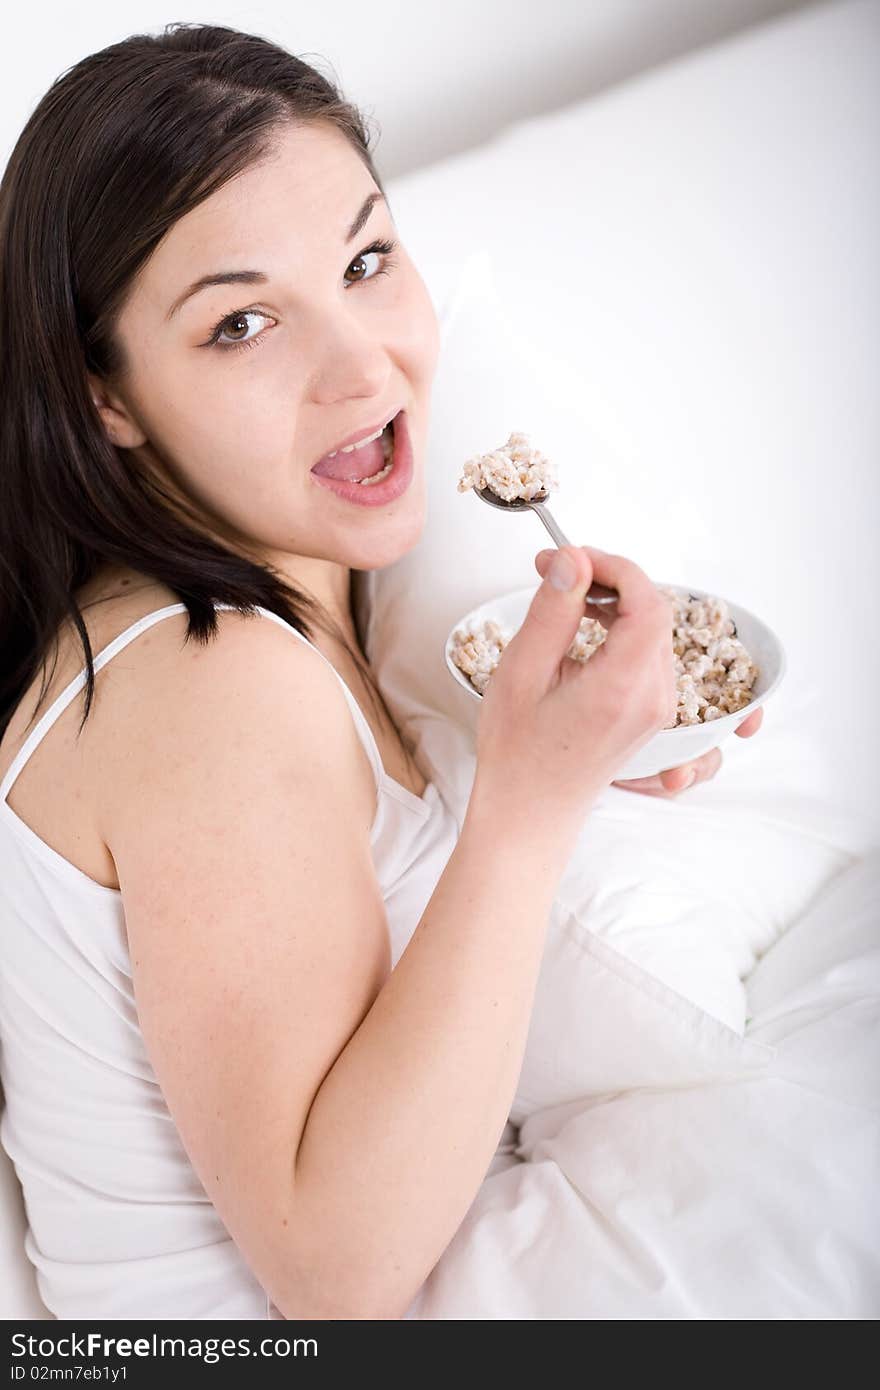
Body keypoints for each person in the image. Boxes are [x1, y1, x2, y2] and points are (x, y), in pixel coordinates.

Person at [0, 23, 762, 1321]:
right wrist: (522, 812)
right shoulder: (209, 680)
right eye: (240, 323)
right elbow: (335, 1270)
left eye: (366, 259)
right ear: (106, 396)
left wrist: (583, 763)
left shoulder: (304, 596)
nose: (362, 369)